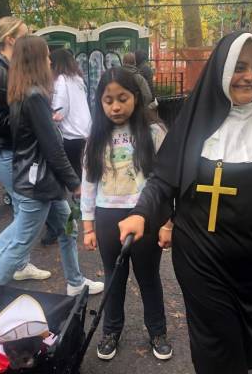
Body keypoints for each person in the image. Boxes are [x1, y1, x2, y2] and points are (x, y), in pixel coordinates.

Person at [118, 32, 252, 374]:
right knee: (217, 350)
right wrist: (142, 213)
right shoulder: (195, 121)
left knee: (243, 346)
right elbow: (165, 177)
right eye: (239, 67)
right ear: (222, 70)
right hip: (203, 256)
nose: (250, 76)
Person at [0, 35, 103, 297]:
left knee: (66, 230)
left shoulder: (21, 93)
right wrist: (75, 184)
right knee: (20, 245)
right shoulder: (35, 96)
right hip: (38, 184)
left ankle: (75, 282)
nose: (51, 60)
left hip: (38, 181)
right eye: (47, 56)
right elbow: (52, 147)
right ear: (38, 60)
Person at [81, 67, 172, 361]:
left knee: (148, 277)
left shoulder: (154, 132)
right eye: (108, 100)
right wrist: (88, 226)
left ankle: (157, 331)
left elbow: (168, 181)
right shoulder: (95, 137)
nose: (116, 106)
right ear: (100, 102)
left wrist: (167, 222)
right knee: (114, 277)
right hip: (108, 218)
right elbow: (88, 182)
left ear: (136, 97)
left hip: (146, 216)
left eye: (122, 98)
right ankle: (111, 331)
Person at [0, 16, 50, 281]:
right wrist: (30, 121)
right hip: (3, 151)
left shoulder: (7, 68)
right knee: (29, 208)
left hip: (11, 150)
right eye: (24, 34)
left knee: (23, 207)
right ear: (11, 40)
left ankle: (19, 264)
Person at [39, 49, 92, 246]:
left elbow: (59, 111)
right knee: (81, 174)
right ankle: (87, 214)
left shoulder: (61, 80)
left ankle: (68, 219)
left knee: (68, 178)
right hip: (85, 131)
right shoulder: (77, 79)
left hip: (71, 135)